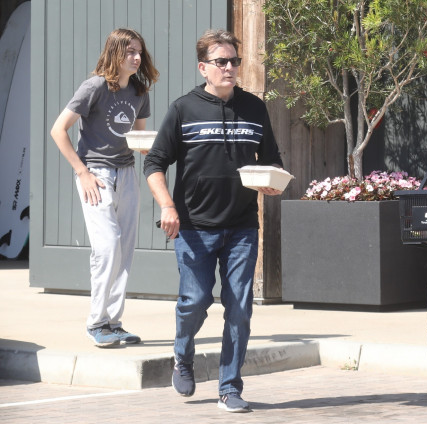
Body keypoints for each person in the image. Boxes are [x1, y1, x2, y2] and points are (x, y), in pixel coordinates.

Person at [144, 29, 284, 413]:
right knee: (195, 301)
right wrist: (167, 206)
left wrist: (272, 182)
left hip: (242, 226)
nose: (229, 68)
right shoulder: (183, 109)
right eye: (221, 62)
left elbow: (271, 159)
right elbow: (153, 163)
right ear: (203, 67)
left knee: (239, 307)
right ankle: (182, 355)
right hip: (193, 226)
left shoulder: (255, 108)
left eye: (234, 61)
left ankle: (229, 387)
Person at [50, 28, 159, 348]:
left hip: (126, 175)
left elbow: (138, 142)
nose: (137, 57)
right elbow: (58, 130)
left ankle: (112, 322)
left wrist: (158, 147)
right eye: (130, 52)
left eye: (139, 51)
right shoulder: (94, 87)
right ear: (115, 53)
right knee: (108, 246)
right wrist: (81, 172)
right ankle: (96, 322)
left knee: (124, 250)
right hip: (95, 175)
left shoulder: (139, 91)